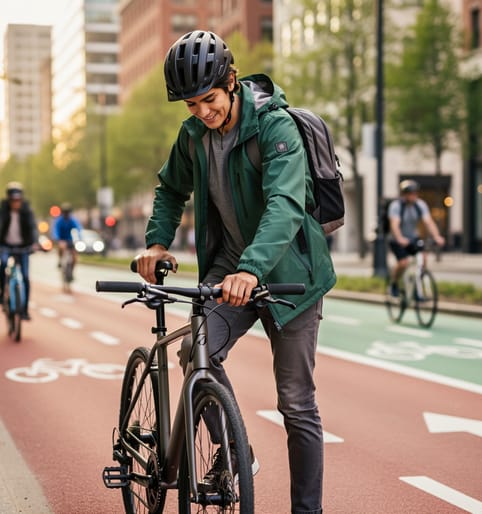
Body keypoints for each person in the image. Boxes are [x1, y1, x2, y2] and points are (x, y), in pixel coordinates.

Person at [134, 30, 335, 514]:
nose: (202, 111)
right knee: (195, 350)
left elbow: (285, 207)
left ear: (231, 81)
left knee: (296, 404)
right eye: (190, 105)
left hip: (293, 277)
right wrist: (157, 242)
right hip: (229, 271)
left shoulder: (276, 128)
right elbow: (169, 190)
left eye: (208, 99)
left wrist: (251, 270)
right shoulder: (193, 137)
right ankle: (234, 450)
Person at [387, 179, 445, 297]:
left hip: (413, 238)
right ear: (404, 194)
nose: (413, 196)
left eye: (414, 193)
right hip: (397, 240)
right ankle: (394, 284)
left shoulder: (420, 205)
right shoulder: (396, 206)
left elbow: (428, 222)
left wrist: (437, 236)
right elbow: (394, 224)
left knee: (423, 259)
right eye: (410, 193)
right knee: (403, 263)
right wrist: (400, 238)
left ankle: (416, 285)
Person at [0, 182, 39, 320]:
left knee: (25, 276)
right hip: (5, 245)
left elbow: (33, 227)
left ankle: (24, 310)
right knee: (3, 264)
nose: (16, 203)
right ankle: (1, 293)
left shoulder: (27, 211)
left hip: (23, 247)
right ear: (8, 199)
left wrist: (35, 243)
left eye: (18, 200)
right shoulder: (2, 210)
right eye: (13, 200)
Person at [52, 202, 82, 268]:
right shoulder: (59, 221)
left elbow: (78, 228)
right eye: (65, 212)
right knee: (61, 247)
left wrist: (79, 238)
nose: (66, 214)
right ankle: (60, 260)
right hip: (62, 239)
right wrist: (57, 238)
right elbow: (55, 230)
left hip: (70, 239)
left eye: (68, 212)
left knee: (75, 256)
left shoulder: (72, 220)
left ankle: (72, 270)